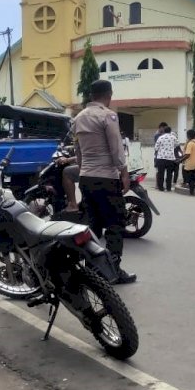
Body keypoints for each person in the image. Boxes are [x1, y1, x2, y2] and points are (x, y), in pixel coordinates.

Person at [74, 79, 136, 284]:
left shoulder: (79, 117)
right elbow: (116, 147)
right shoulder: (108, 115)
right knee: (115, 225)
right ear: (109, 95)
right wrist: (124, 173)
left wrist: (83, 169)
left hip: (86, 177)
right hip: (106, 178)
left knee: (93, 226)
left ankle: (91, 270)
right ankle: (114, 271)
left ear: (92, 96)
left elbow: (78, 150)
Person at [154, 126, 178, 191]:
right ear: (170, 131)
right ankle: (168, 187)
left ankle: (161, 188)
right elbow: (176, 145)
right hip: (170, 158)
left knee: (160, 174)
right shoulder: (174, 138)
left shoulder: (160, 137)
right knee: (169, 174)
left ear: (164, 131)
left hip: (161, 158)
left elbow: (156, 148)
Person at [180, 129, 195, 195]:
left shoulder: (190, 143)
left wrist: (180, 160)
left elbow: (187, 154)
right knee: (192, 178)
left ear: (189, 135)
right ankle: (193, 190)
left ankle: (192, 191)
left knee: (189, 178)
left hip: (190, 164)